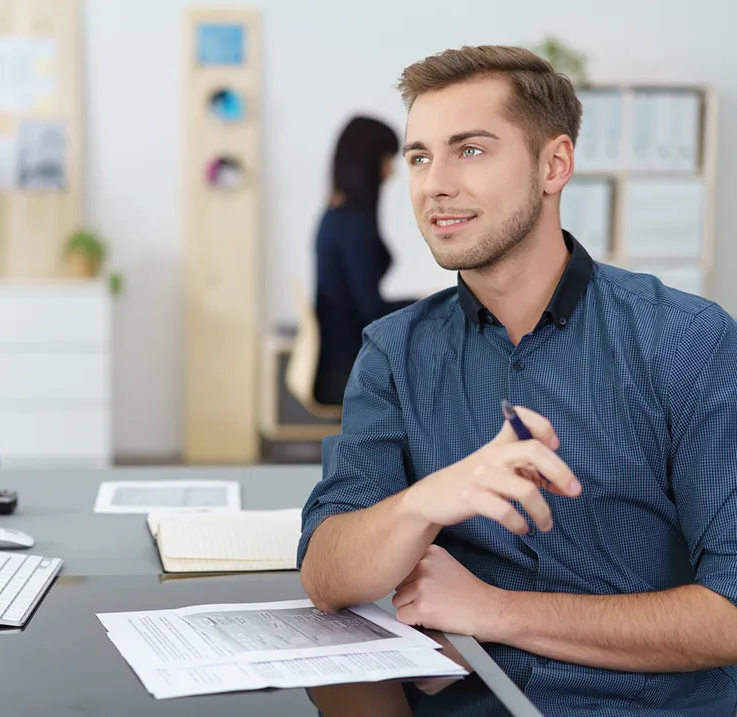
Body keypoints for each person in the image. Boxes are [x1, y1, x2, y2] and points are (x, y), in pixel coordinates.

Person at [298, 44, 737, 717]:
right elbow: (327, 572)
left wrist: (495, 610)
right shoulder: (393, 353)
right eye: (419, 156)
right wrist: (427, 499)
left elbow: (729, 614)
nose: (433, 184)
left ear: (553, 165)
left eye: (470, 150)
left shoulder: (687, 341)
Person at [313, 115, 416, 406]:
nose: (391, 171)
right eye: (386, 159)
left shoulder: (336, 216)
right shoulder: (351, 226)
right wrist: (433, 304)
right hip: (347, 369)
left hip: (338, 362)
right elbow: (370, 310)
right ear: (366, 163)